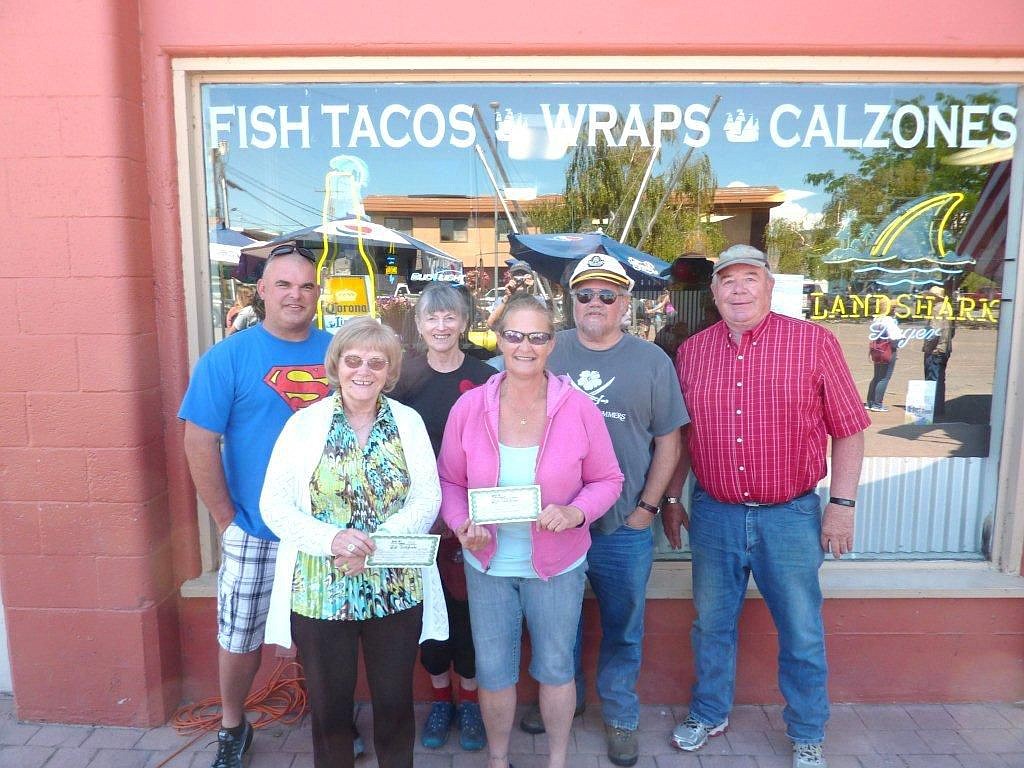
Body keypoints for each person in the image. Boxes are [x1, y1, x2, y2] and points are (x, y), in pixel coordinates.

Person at [667, 244, 869, 768]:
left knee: (800, 629)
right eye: (727, 280)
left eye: (749, 278)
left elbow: (849, 430)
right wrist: (672, 496)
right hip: (715, 513)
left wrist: (841, 506)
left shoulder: (814, 343)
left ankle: (807, 733)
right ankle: (709, 713)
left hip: (791, 516)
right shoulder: (693, 352)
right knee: (711, 623)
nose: (738, 288)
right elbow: (685, 436)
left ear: (769, 286)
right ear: (713, 292)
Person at [438, 292, 624, 768]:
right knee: (496, 672)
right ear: (498, 340)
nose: (525, 346)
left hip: (558, 565)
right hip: (489, 564)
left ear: (551, 344)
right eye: (514, 335)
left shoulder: (577, 407)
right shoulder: (471, 407)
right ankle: (499, 760)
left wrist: (576, 513)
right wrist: (461, 524)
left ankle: (556, 760)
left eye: (537, 337)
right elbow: (450, 480)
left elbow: (608, 479)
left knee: (557, 668)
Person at [521, 253, 688, 768]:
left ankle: (620, 716)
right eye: (585, 294)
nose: (595, 303)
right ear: (571, 302)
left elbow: (669, 440)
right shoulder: (548, 348)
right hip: (556, 522)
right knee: (556, 623)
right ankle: (562, 704)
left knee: (622, 625)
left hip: (623, 527)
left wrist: (648, 507)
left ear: (625, 302)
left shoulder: (653, 361)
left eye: (607, 295)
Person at [260, 317, 447, 768]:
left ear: (390, 371)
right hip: (321, 589)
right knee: (329, 710)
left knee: (395, 703)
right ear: (336, 366)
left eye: (376, 363)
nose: (364, 371)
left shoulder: (407, 422)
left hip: (396, 586)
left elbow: (428, 497)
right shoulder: (304, 425)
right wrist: (334, 540)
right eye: (354, 361)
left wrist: (376, 544)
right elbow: (275, 506)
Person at [178, 242, 333, 768]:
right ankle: (231, 725)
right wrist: (227, 521)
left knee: (326, 631)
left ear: (318, 294)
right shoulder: (228, 357)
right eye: (283, 284)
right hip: (255, 528)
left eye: (306, 285)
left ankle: (331, 720)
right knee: (241, 633)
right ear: (261, 291)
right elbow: (199, 442)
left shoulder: (339, 352)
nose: (296, 295)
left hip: (325, 531)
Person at [389, 282, 495, 751]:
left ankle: (470, 703)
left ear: (464, 322)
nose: (441, 326)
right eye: (432, 317)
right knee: (429, 614)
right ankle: (440, 702)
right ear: (419, 324)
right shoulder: (401, 378)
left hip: (473, 518)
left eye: (450, 317)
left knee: (470, 615)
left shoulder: (487, 374)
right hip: (416, 517)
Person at [922, 286, 955, 420]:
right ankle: (939, 409)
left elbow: (934, 332)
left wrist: (928, 347)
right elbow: (952, 331)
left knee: (932, 379)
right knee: (940, 380)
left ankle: (932, 410)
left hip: (936, 350)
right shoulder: (947, 308)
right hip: (945, 348)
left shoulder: (937, 309)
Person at [865, 298, 903, 412]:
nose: (894, 310)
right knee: (884, 377)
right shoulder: (888, 321)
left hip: (877, 348)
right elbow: (895, 336)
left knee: (877, 376)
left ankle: (870, 402)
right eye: (893, 307)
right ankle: (877, 404)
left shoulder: (876, 319)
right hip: (887, 348)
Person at [486, 259, 545, 329]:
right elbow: (491, 324)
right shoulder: (502, 301)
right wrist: (507, 297)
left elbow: (544, 324)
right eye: (516, 276)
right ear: (511, 278)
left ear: (530, 278)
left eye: (523, 275)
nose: (519, 279)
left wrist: (531, 290)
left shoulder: (538, 300)